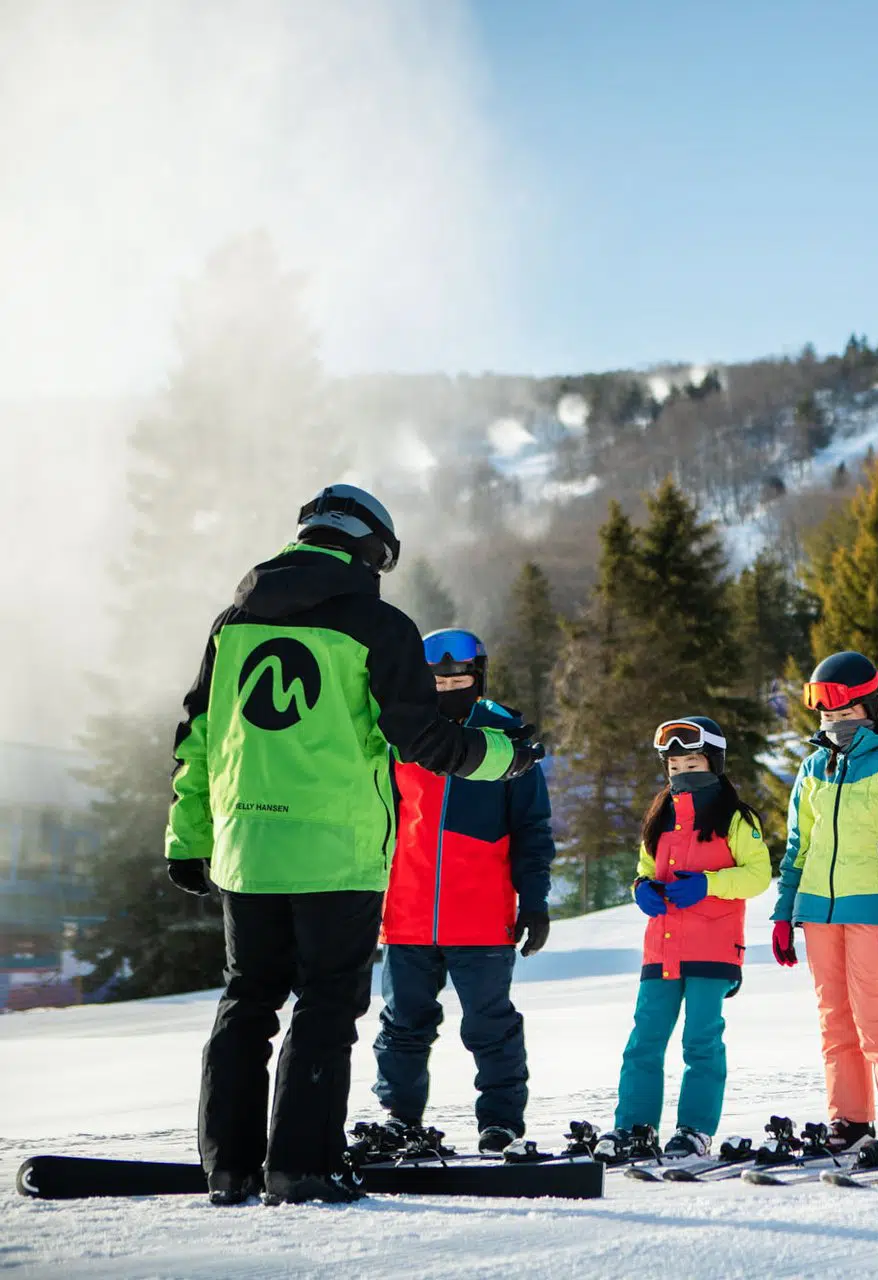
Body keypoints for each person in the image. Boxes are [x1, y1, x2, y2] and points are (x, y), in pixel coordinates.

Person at [164, 484, 544, 1206]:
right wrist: (508, 756)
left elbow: (198, 737)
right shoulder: (379, 626)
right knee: (326, 1003)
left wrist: (189, 837)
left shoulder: (233, 623)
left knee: (247, 1000)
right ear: (372, 549)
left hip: (249, 847)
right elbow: (425, 740)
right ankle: (302, 1165)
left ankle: (230, 1166)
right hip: (337, 853)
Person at [371, 628, 555, 1153]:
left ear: (479, 677)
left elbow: (532, 828)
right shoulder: (398, 735)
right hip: (406, 911)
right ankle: (398, 1119)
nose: (449, 686)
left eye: (460, 677)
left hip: (480, 912)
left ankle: (500, 1123)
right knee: (403, 1025)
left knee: (490, 1025)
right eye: (438, 679)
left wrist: (535, 900)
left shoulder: (504, 736)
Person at [770, 651, 878, 1154]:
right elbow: (798, 845)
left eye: (844, 713)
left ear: (867, 706)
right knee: (834, 1017)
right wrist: (784, 912)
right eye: (826, 715)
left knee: (872, 1014)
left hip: (871, 906)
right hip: (818, 910)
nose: (835, 723)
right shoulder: (814, 766)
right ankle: (850, 1118)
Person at [612, 716, 772, 1158]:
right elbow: (646, 870)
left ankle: (694, 1130)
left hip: (713, 947)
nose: (683, 772)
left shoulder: (736, 818)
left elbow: (759, 875)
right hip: (661, 946)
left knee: (700, 1041)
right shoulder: (660, 817)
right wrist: (640, 888)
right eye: (675, 764)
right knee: (644, 1040)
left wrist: (709, 883)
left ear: (714, 762)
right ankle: (634, 1128)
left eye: (693, 761)